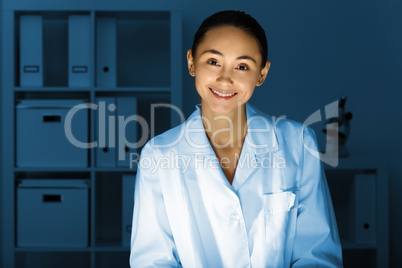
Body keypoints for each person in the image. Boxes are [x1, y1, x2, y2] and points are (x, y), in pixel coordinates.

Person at [130, 10, 342, 267]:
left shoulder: (298, 143)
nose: (225, 79)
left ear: (262, 73)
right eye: (213, 61)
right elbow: (153, 260)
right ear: (191, 62)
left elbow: (316, 255)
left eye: (242, 66)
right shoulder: (159, 154)